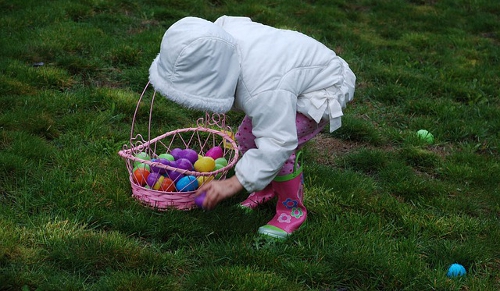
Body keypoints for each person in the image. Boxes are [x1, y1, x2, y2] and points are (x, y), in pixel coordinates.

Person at [149, 16, 356, 239]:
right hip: (288, 72)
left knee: (282, 151)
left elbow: (278, 142)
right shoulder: (218, 37)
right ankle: (267, 186)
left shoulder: (263, 88)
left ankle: (292, 210)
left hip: (324, 86)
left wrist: (233, 184)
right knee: (247, 138)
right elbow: (232, 20)